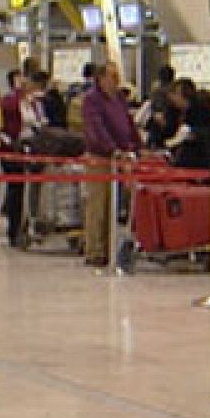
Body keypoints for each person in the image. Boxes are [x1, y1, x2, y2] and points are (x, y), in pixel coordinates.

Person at [82, 62, 140, 267]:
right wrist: (111, 149)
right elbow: (95, 127)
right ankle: (94, 250)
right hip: (100, 158)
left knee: (112, 207)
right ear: (100, 78)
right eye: (112, 76)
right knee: (97, 205)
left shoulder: (120, 98)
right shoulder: (92, 100)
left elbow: (128, 123)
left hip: (121, 158)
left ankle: (107, 248)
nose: (116, 80)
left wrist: (135, 146)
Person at [0, 70, 45, 246]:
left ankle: (29, 227)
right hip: (13, 148)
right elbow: (8, 119)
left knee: (30, 190)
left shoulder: (36, 104)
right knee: (15, 190)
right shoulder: (10, 101)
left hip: (32, 147)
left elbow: (40, 121)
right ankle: (14, 230)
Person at [166, 80, 210, 172]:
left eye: (174, 95)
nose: (173, 101)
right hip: (207, 163)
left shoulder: (197, 115)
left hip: (198, 165)